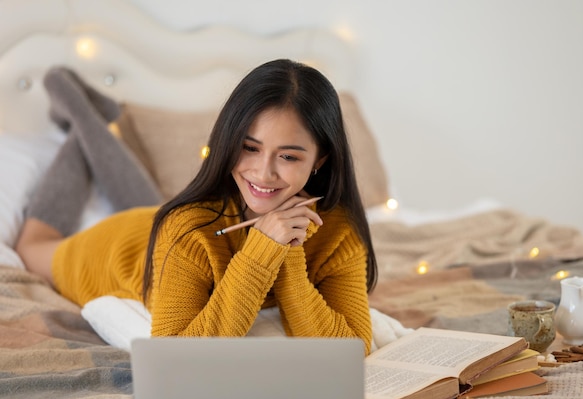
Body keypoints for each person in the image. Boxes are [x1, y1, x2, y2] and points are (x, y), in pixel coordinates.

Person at [15, 59, 377, 354]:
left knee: (157, 205)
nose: (263, 173)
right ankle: (84, 120)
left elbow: (351, 350)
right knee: (33, 243)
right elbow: (179, 355)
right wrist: (263, 249)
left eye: (287, 156)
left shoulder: (339, 230)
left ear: (321, 159)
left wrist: (290, 253)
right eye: (249, 147)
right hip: (122, 247)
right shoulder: (185, 226)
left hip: (175, 225)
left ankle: (93, 121)